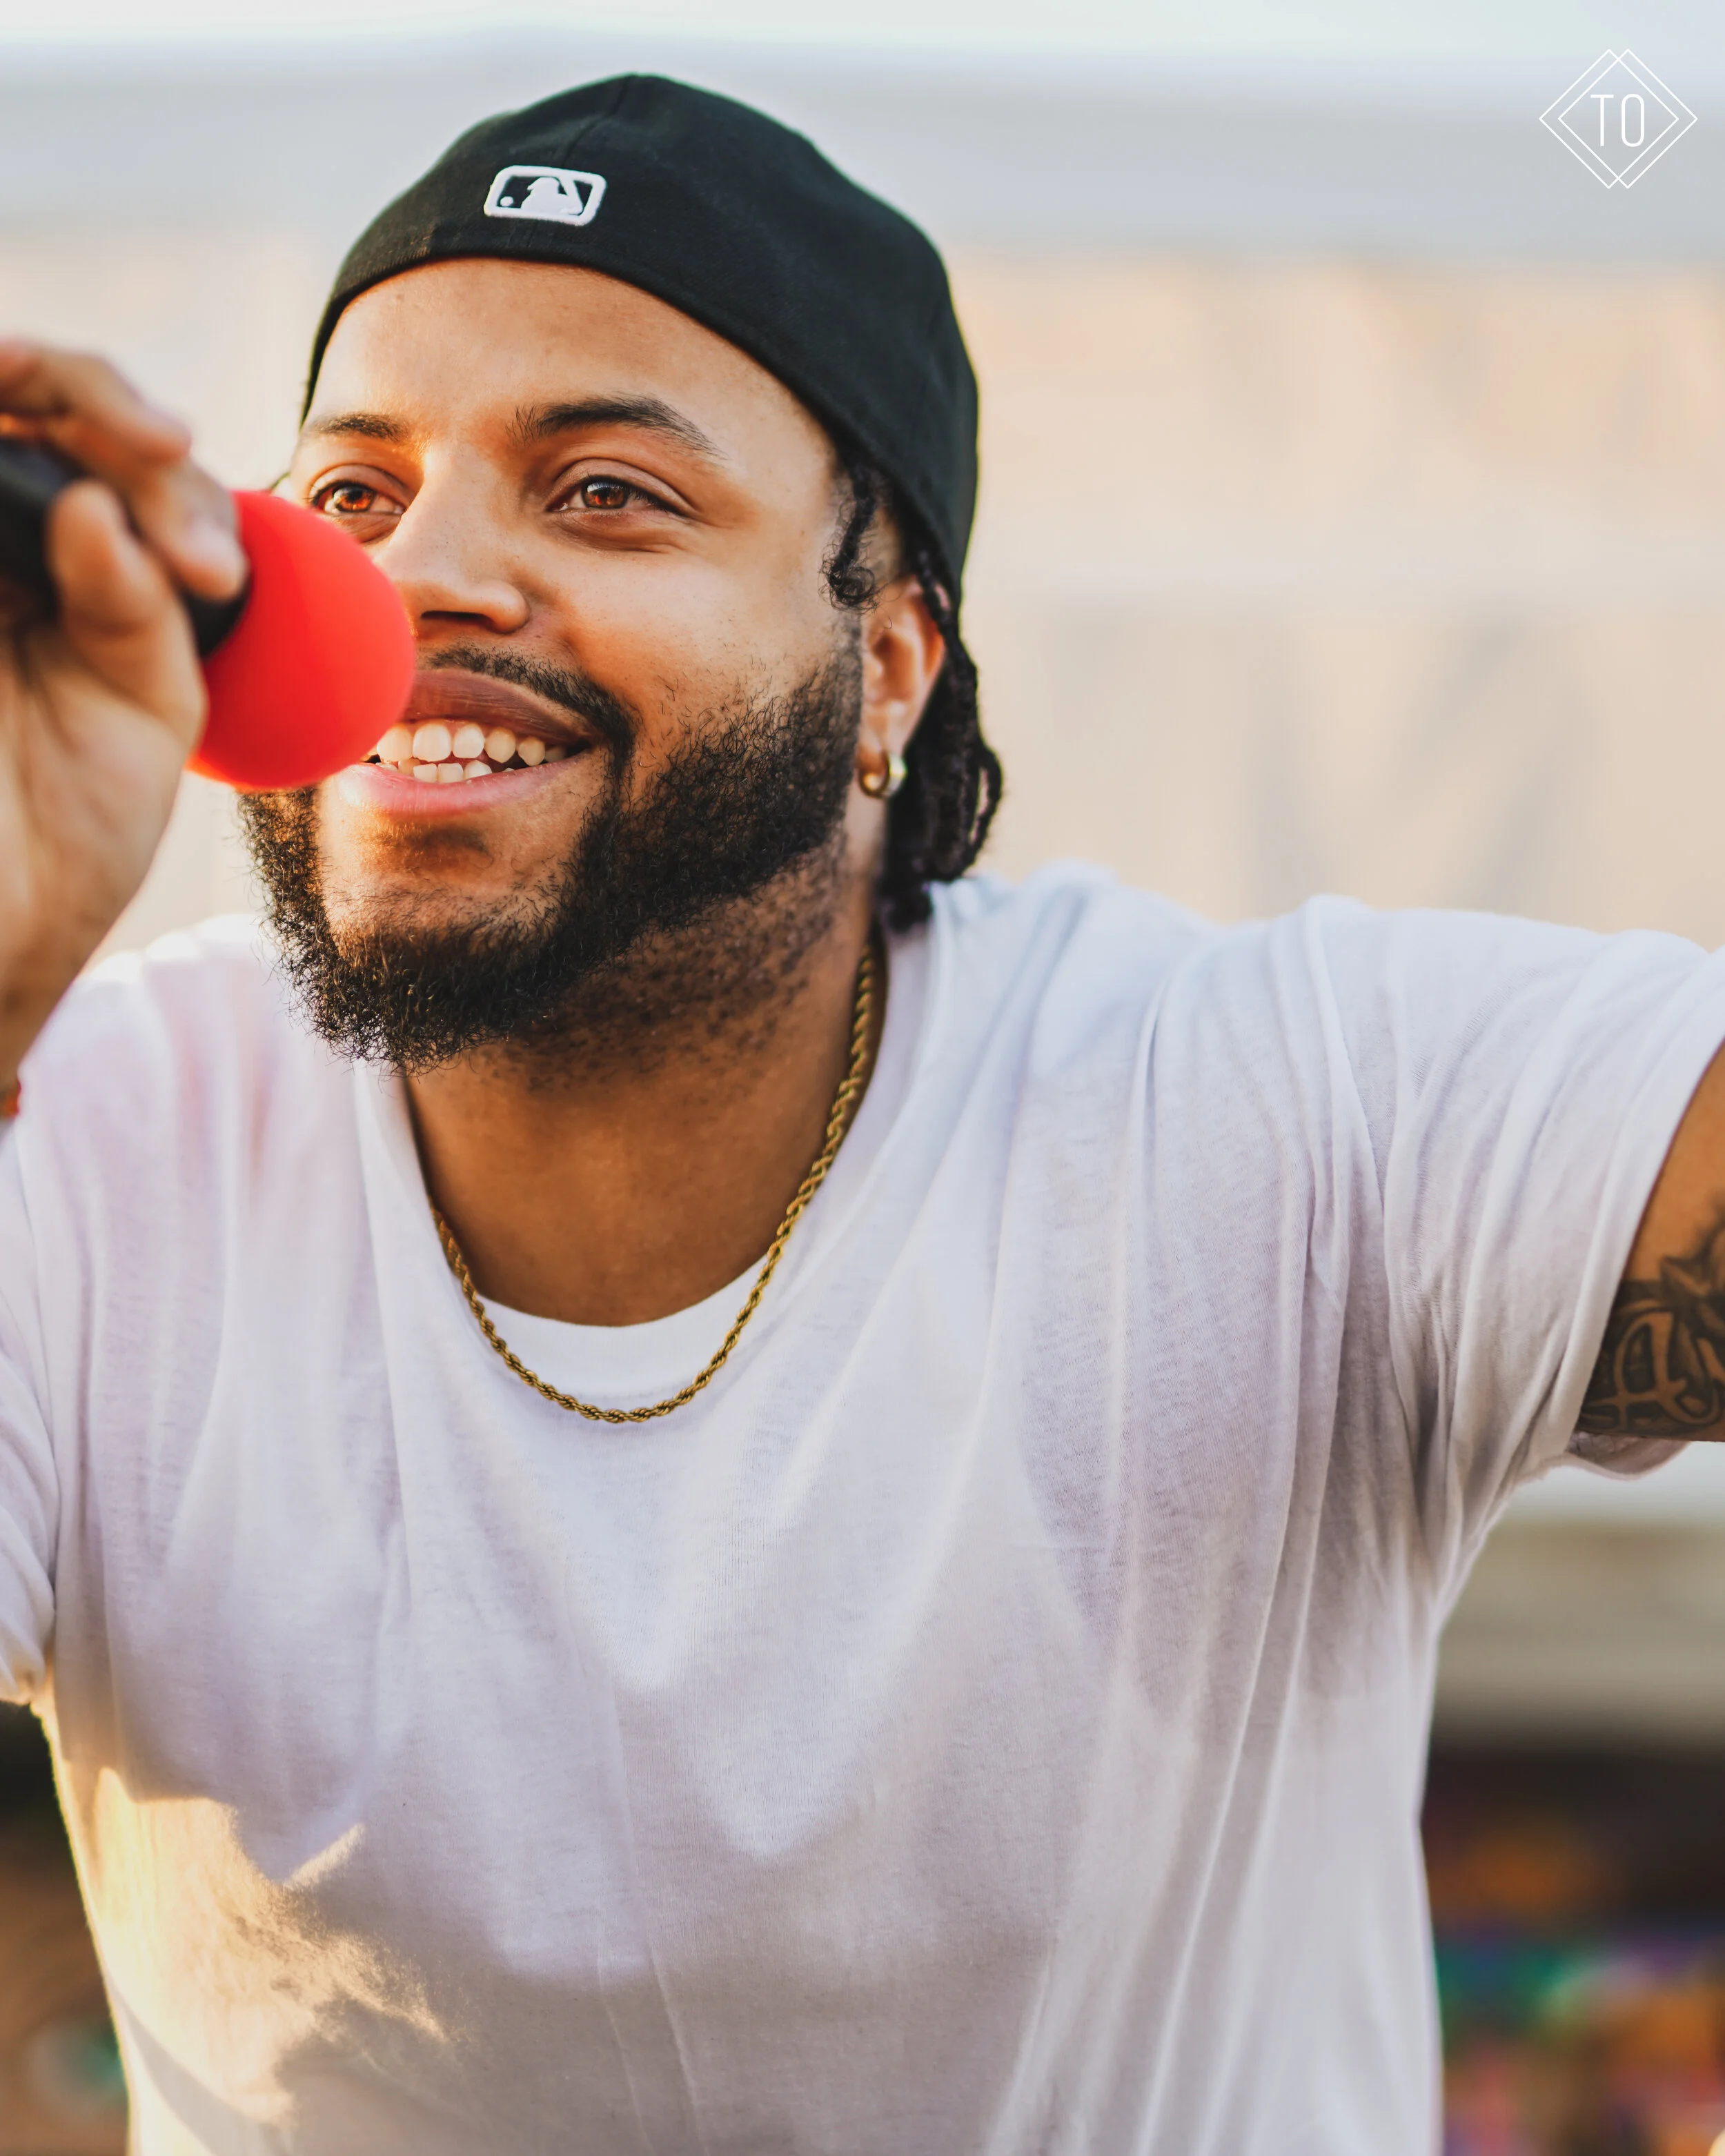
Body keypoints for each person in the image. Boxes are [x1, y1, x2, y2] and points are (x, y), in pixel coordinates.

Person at [1, 73, 1722, 2156]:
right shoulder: (79, 1133)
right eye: (352, 498)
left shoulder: (1273, 1108)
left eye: (607, 492)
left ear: (888, 663)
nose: (424, 575)